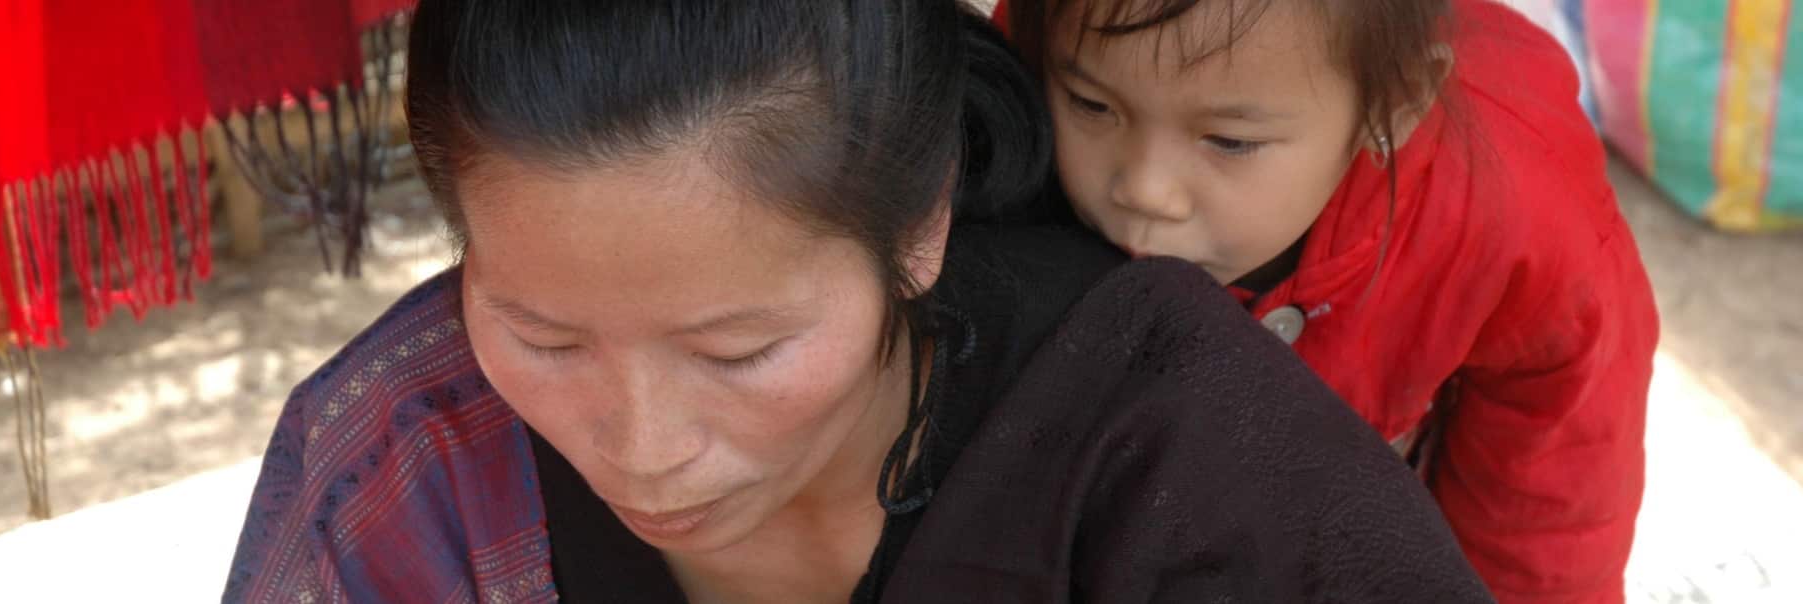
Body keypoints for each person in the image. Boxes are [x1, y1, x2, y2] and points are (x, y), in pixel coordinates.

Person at [223, 0, 1492, 601]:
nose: (644, 446)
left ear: (922, 220)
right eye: (542, 333)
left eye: (741, 347)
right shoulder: (400, 464)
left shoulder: (1190, 469)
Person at [994, 0, 1659, 601]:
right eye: (1089, 103)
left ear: (1393, 107)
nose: (1144, 188)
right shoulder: (1012, 94)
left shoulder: (1518, 218)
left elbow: (1549, 506)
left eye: (1229, 141)